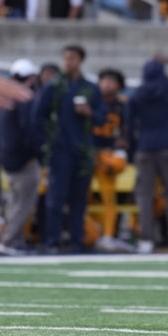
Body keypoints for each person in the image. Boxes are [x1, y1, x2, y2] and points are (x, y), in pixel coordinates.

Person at [33, 45, 105, 253]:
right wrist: (48, 143)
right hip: (60, 150)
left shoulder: (91, 88)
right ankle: (52, 240)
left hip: (83, 151)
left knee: (79, 199)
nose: (68, 62)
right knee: (55, 198)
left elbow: (102, 117)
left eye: (72, 58)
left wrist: (89, 112)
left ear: (80, 60)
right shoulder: (54, 86)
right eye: (66, 58)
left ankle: (76, 241)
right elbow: (38, 116)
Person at [129, 56, 168, 254]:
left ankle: (146, 240)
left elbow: (128, 125)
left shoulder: (137, 94)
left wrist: (133, 148)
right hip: (166, 146)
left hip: (145, 147)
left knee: (145, 195)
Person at [0, 59, 40, 255]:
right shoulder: (23, 99)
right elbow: (29, 131)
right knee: (22, 203)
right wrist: (32, 154)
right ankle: (9, 240)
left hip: (7, 157)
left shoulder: (5, 99)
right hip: (22, 159)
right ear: (31, 78)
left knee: (14, 202)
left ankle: (12, 238)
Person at [91, 68, 132, 252]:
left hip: (107, 157)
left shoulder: (122, 106)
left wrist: (120, 146)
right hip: (88, 155)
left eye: (111, 81)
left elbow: (126, 133)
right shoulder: (92, 102)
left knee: (109, 198)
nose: (107, 84)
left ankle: (108, 235)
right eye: (104, 80)